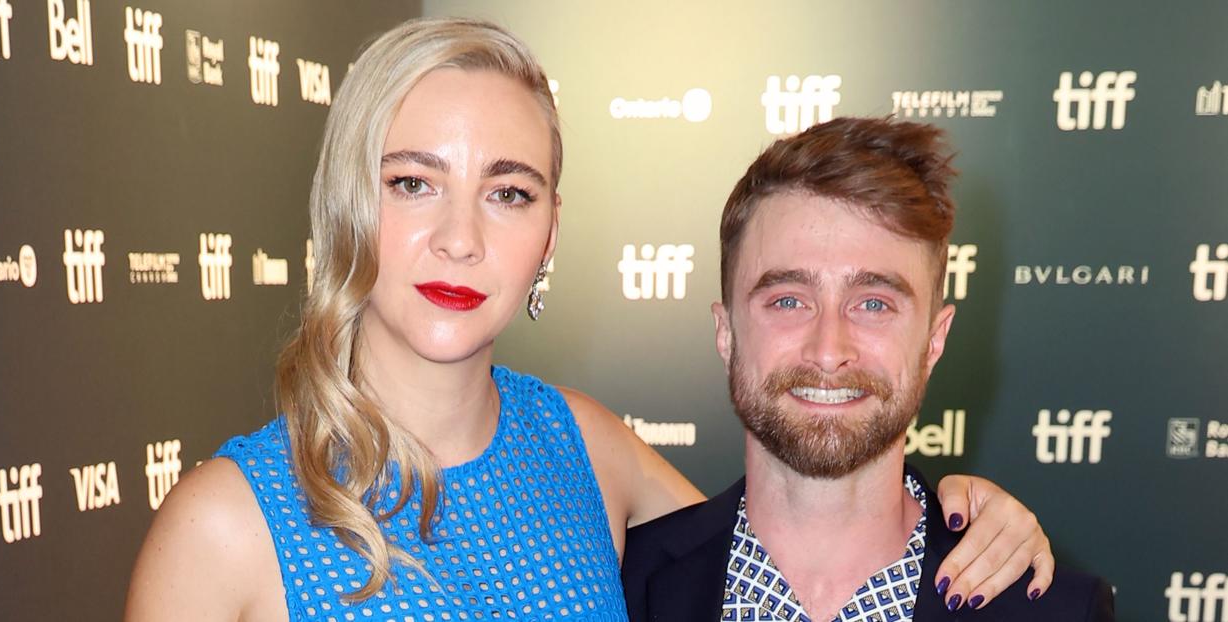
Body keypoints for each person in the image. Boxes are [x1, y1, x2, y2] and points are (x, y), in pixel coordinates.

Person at [125, 18, 1058, 621]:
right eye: (412, 183)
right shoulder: (224, 524)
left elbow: (797, 537)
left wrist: (959, 513)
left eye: (508, 192)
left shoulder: (579, 443)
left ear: (548, 232)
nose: (460, 239)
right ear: (345, 206)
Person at [621, 117, 1115, 621]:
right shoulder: (616, 589)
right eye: (789, 301)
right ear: (726, 333)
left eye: (874, 304)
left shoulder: (1058, 612)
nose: (830, 350)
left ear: (934, 340)